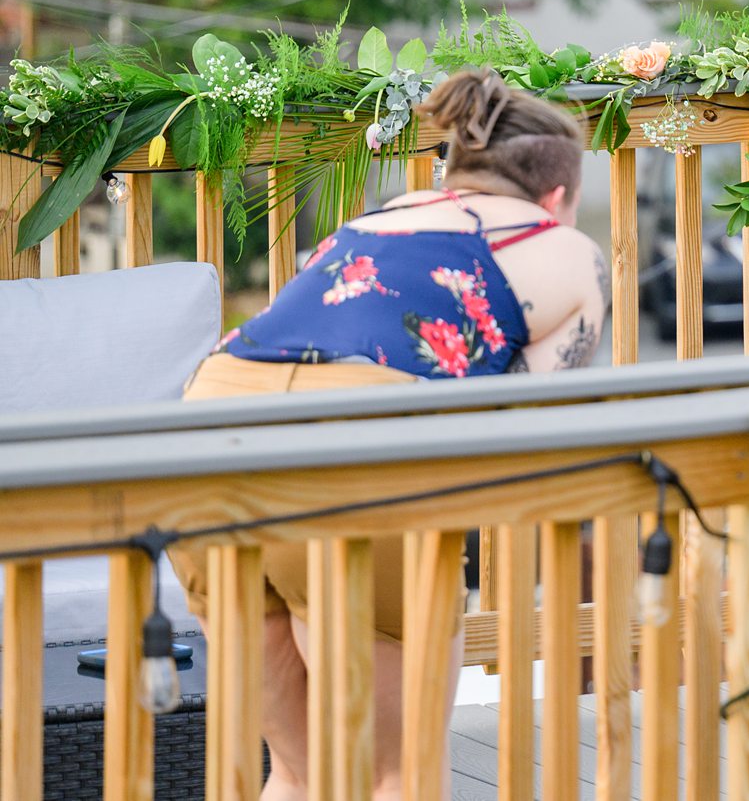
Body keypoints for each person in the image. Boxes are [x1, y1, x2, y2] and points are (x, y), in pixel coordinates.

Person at [173, 68, 608, 801]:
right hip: (358, 440)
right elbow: (520, 424)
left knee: (299, 773)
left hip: (208, 429)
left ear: (454, 168)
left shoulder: (370, 224)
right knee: (395, 772)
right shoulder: (561, 248)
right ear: (557, 196)